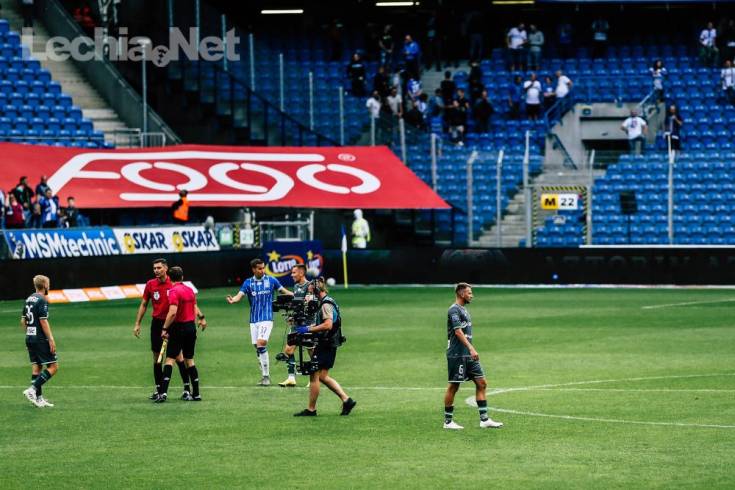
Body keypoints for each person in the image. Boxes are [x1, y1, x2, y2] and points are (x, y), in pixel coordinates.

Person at [443, 283, 503, 430]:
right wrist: (471, 348)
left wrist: (470, 350)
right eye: (469, 293)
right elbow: (458, 331)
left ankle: (484, 420)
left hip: (468, 354)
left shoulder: (464, 310)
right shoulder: (454, 310)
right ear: (461, 294)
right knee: (454, 386)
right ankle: (448, 422)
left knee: (481, 383)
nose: (472, 295)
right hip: (457, 354)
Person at [293, 277, 356, 417]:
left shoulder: (326, 304)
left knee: (314, 375)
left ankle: (311, 410)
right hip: (329, 343)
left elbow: (328, 325)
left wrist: (308, 329)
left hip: (326, 344)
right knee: (322, 376)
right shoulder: (327, 301)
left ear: (316, 290)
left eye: (311, 291)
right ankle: (347, 400)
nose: (310, 294)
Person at [226, 258, 293, 386]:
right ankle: (263, 375)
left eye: (263, 268)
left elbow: (284, 291)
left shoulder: (271, 280)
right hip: (254, 320)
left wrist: (297, 296)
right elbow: (240, 295)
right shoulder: (248, 283)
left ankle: (266, 377)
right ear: (253, 269)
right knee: (257, 346)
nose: (262, 270)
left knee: (261, 344)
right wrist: (233, 300)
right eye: (259, 268)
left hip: (266, 318)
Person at [134, 258, 191, 400]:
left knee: (178, 356)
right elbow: (144, 304)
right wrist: (137, 323)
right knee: (157, 357)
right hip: (157, 324)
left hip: (172, 323)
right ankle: (159, 389)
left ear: (166, 268)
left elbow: (186, 301)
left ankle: (186, 389)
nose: (156, 270)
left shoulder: (174, 284)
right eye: (154, 268)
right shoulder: (150, 284)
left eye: (159, 268)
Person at [155, 266, 207, 403]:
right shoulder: (190, 290)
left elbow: (172, 312)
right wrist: (201, 318)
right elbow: (194, 307)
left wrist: (165, 328)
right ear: (182, 277)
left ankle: (163, 393)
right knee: (189, 360)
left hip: (178, 328)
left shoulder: (173, 291)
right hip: (191, 327)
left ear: (170, 278)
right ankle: (196, 394)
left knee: (170, 359)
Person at [22, 275, 58, 408]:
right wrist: (51, 339)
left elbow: (23, 321)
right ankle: (32, 390)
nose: (49, 286)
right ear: (45, 285)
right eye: (49, 284)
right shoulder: (42, 299)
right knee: (53, 367)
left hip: (30, 337)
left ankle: (39, 399)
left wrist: (29, 336)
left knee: (37, 368)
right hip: (40, 338)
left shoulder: (28, 299)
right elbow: (43, 321)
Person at [276, 264, 313, 387]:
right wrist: (292, 316)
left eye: (294, 273)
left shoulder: (309, 286)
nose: (292, 275)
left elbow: (310, 306)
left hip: (308, 324)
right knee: (288, 350)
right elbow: (298, 305)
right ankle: (291, 378)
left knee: (311, 350)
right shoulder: (296, 286)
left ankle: (314, 379)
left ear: (301, 273)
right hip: (296, 323)